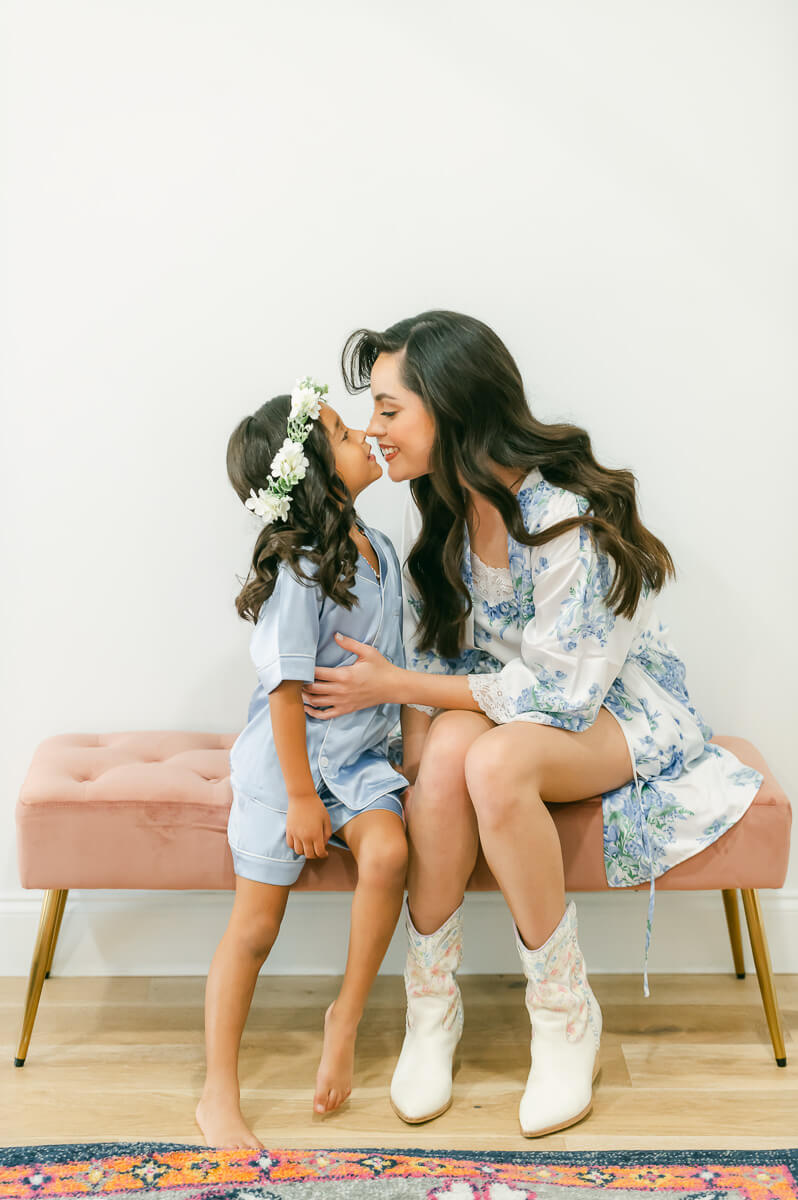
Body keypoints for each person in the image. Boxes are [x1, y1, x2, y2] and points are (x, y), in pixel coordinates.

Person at [300, 313, 764, 1138]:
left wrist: (395, 685)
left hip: (612, 708)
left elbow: (563, 694)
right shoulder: (444, 509)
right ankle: (431, 1006)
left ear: (452, 407)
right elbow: (444, 677)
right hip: (511, 706)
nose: (373, 430)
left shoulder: (569, 515)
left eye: (389, 409)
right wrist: (411, 755)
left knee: (495, 764)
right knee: (447, 759)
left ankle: (564, 1016)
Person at [196, 378, 409, 1149]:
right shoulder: (302, 569)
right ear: (314, 471)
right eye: (347, 433)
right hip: (286, 770)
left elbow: (398, 674)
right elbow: (285, 692)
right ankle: (219, 1091)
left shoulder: (380, 551)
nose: (366, 437)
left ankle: (344, 1018)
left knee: (389, 853)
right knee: (254, 929)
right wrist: (297, 799)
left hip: (356, 764)